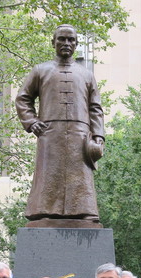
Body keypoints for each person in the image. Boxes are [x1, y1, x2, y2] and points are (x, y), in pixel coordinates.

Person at [15, 24, 105, 225]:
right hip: (50, 134)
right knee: (49, 175)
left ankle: (84, 211)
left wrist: (98, 136)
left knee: (81, 179)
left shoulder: (86, 74)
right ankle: (44, 210)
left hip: (80, 136)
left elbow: (95, 108)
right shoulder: (40, 70)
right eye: (62, 39)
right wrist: (31, 121)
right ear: (53, 42)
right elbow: (23, 98)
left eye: (71, 40)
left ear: (76, 44)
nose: (66, 43)